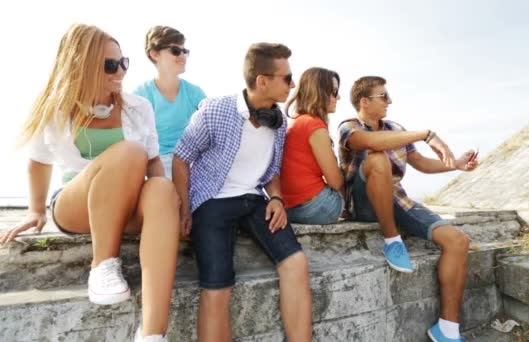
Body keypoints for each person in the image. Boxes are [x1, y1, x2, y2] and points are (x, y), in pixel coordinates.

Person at [0, 24, 180, 342]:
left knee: (162, 188)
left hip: (127, 205)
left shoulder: (139, 108)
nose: (120, 71)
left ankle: (153, 334)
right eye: (110, 65)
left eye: (123, 62)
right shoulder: (55, 111)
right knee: (128, 152)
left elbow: (154, 161)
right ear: (81, 67)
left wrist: (161, 208)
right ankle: (102, 265)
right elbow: (38, 161)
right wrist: (35, 209)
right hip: (77, 204)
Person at [172, 42, 312, 341]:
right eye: (287, 78)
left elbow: (273, 169)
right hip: (212, 201)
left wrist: (275, 197)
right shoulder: (216, 109)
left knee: (296, 263)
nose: (293, 84)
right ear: (262, 81)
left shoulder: (278, 121)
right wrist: (184, 209)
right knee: (217, 289)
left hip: (254, 200)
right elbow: (182, 157)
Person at [337, 76, 479, 342]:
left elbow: (422, 163)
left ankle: (447, 329)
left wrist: (456, 164)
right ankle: (393, 241)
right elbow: (372, 143)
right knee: (377, 158)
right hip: (364, 203)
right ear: (364, 101)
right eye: (384, 97)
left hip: (397, 199)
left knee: (458, 241)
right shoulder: (349, 127)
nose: (389, 101)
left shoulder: (396, 128)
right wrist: (427, 134)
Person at [134, 25, 206, 179]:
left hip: (192, 162)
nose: (182, 56)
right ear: (154, 54)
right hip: (157, 165)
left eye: (184, 51)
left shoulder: (195, 94)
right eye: (175, 51)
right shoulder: (141, 96)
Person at [281, 67, 344, 224]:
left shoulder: (298, 121)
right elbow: (335, 182)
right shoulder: (314, 125)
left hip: (290, 209)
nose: (339, 97)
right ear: (319, 92)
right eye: (334, 92)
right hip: (317, 208)